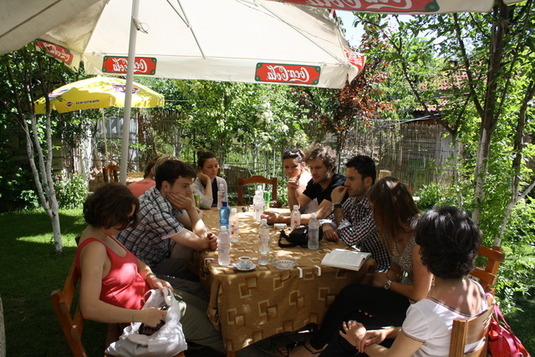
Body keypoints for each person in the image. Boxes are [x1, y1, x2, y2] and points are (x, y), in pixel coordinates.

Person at [290, 177, 433, 356]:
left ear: (389, 210)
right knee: (352, 314)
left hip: (422, 310)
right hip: (405, 298)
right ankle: (321, 345)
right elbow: (396, 267)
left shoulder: (419, 235)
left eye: (375, 210)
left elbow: (420, 294)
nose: (373, 215)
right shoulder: (393, 229)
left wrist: (387, 284)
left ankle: (316, 346)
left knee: (352, 295)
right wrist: (387, 278)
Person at [77, 183, 224, 353]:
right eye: (126, 219)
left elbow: (135, 261)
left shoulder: (103, 232)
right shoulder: (95, 249)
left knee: (210, 306)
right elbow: (89, 308)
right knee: (220, 330)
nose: (128, 224)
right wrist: (141, 316)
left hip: (152, 297)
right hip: (145, 315)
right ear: (109, 214)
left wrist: (150, 277)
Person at [339, 206, 487, 357]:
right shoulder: (476, 290)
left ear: (426, 255)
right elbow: (436, 332)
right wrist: (388, 332)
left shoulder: (426, 311)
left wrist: (357, 339)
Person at [117, 158, 218, 282]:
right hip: (138, 273)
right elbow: (201, 243)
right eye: (185, 186)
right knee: (201, 287)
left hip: (154, 261)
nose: (189, 192)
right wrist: (191, 208)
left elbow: (197, 229)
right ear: (166, 185)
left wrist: (207, 237)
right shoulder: (155, 212)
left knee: (197, 270)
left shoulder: (160, 194)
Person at [322, 155, 390, 272]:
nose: (346, 184)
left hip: (380, 269)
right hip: (358, 262)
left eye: (352, 179)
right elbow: (327, 219)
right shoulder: (354, 199)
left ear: (368, 181)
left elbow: (351, 238)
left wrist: (337, 204)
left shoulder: (379, 206)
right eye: (346, 178)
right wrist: (326, 226)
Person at [264, 145, 345, 225]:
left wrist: (280, 219)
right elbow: (296, 210)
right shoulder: (314, 182)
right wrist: (291, 192)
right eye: (311, 168)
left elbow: (319, 215)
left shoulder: (338, 183)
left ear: (331, 167)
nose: (313, 172)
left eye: (318, 168)